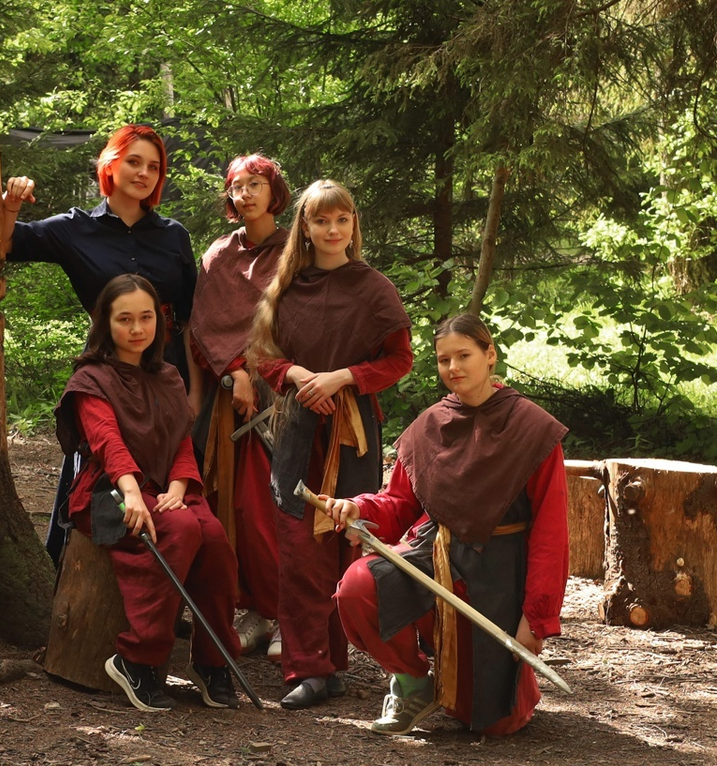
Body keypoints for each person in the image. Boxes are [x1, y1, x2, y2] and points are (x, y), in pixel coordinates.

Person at [327, 314, 569, 736]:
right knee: (359, 587)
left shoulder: (533, 428)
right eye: (443, 360)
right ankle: (413, 684)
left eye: (464, 355)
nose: (453, 368)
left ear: (490, 355)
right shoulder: (429, 424)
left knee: (495, 724)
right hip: (433, 553)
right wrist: (358, 507)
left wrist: (537, 616)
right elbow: (399, 503)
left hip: (499, 572)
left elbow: (551, 534)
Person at [247, 179, 412, 710]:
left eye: (342, 219)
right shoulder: (285, 287)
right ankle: (307, 668)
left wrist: (342, 378)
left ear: (353, 224)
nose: (333, 229)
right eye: (321, 221)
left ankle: (333, 664)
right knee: (298, 548)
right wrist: (296, 375)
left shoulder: (374, 287)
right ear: (306, 227)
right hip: (298, 431)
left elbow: (399, 359)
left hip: (353, 432)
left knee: (345, 538)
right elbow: (263, 357)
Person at [1, 124, 200, 563]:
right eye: (134, 162)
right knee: (105, 459)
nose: (144, 173)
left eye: (154, 166)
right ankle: (92, 574)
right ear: (110, 165)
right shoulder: (74, 228)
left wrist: (195, 391)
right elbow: (5, 244)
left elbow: (191, 320)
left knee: (177, 477)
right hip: (108, 374)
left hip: (169, 368)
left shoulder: (174, 235)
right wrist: (10, 203)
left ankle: (176, 580)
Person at [54, 274, 241, 712]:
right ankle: (136, 658)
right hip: (110, 493)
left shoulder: (168, 376)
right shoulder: (91, 379)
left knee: (214, 540)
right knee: (179, 529)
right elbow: (107, 441)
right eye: (125, 319)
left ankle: (213, 661)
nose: (137, 329)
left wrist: (178, 485)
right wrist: (134, 492)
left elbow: (180, 440)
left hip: (166, 487)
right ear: (105, 322)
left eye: (145, 318)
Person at [190, 155, 290, 659]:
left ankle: (291, 614)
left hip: (287, 394)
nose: (246, 193)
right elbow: (205, 323)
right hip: (233, 399)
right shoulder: (218, 254)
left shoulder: (296, 250)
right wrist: (236, 373)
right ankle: (256, 610)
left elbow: (303, 317)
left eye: (256, 184)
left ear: (274, 192)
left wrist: (263, 371)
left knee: (280, 508)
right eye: (237, 186)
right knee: (238, 508)